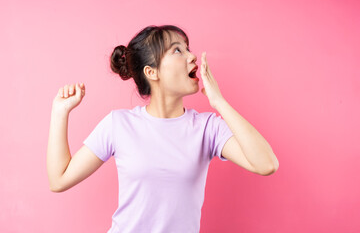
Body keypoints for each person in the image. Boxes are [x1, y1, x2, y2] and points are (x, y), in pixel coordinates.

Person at [47, 24, 279, 233]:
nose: (192, 56)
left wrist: (218, 101)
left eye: (188, 48)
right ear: (152, 72)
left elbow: (266, 164)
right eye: (178, 50)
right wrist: (60, 112)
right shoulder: (118, 125)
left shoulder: (208, 128)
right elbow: (59, 180)